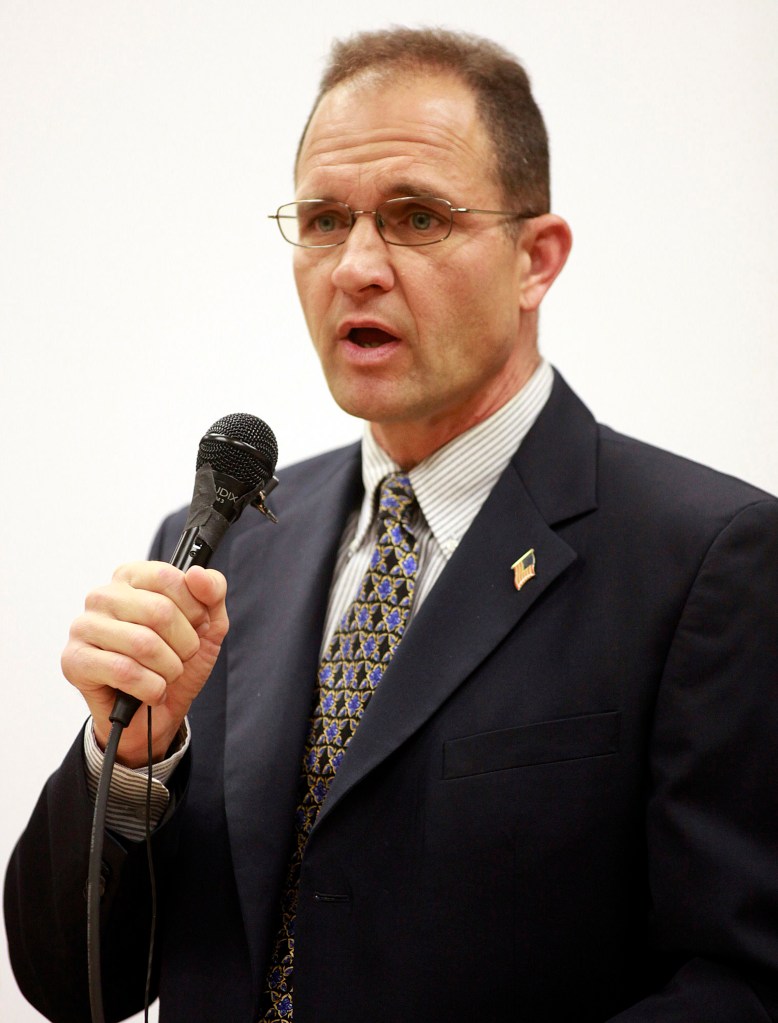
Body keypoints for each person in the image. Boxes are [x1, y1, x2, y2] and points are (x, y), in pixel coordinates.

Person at [5, 26, 778, 1023]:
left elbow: (745, 983)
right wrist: (135, 764)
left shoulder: (710, 558)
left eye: (415, 218)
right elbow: (75, 984)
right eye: (324, 221)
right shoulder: (220, 548)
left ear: (535, 259)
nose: (356, 267)